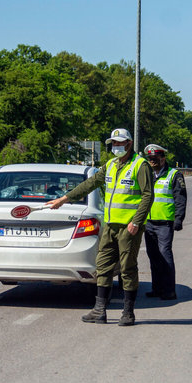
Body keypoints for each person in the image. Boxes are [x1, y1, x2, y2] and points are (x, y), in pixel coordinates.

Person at [46, 128, 154, 326]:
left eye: (120, 143)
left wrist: (136, 221)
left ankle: (128, 313)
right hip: (111, 225)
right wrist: (64, 199)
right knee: (103, 266)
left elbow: (148, 195)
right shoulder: (111, 165)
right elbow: (90, 184)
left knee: (128, 268)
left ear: (129, 144)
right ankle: (99, 310)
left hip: (129, 228)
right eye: (113, 143)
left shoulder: (140, 165)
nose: (116, 146)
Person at [143, 144, 187, 300]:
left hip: (165, 223)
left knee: (164, 254)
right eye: (150, 159)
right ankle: (157, 288)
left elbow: (180, 198)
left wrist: (179, 219)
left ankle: (169, 290)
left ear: (163, 158)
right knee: (153, 256)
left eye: (155, 159)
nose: (152, 162)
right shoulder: (147, 174)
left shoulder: (174, 175)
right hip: (148, 223)